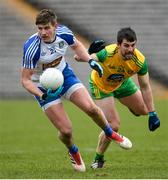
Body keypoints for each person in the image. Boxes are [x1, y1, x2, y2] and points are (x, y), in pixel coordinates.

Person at [21, 9, 132, 172]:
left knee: (91, 109)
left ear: (55, 26)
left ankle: (110, 133)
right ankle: (73, 151)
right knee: (66, 130)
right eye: (40, 28)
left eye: (46, 28)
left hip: (64, 76)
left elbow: (77, 46)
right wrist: (43, 94)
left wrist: (90, 61)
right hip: (43, 86)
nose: (43, 32)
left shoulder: (63, 33)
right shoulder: (32, 47)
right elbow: (25, 80)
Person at [75, 27, 160, 169]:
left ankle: (134, 108)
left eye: (133, 45)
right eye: (126, 45)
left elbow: (145, 86)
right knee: (113, 125)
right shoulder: (107, 52)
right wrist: (89, 54)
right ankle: (98, 158)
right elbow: (78, 58)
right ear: (118, 44)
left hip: (122, 83)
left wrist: (153, 113)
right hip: (101, 86)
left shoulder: (139, 60)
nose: (130, 49)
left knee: (144, 109)